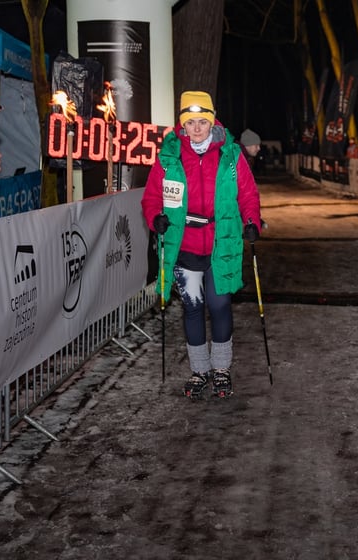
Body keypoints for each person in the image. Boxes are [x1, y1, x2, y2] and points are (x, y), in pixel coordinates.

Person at [141, 91, 262, 400]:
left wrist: (251, 221)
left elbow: (248, 193)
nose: (197, 128)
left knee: (219, 305)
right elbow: (152, 197)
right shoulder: (169, 156)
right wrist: (156, 218)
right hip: (184, 245)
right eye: (191, 122)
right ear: (182, 124)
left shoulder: (230, 155)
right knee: (193, 307)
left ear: (212, 122)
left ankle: (221, 368)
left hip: (221, 243)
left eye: (202, 122)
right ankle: (199, 370)